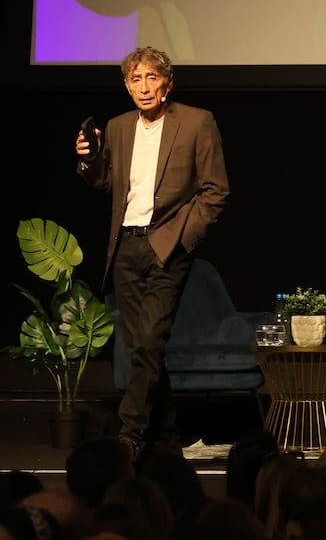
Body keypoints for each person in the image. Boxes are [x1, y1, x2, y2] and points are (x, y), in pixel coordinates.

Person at [76, 45, 230, 459]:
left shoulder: (197, 122)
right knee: (140, 348)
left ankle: (131, 434)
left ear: (167, 83)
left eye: (152, 78)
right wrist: (89, 162)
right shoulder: (119, 126)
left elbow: (216, 191)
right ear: (127, 86)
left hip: (167, 245)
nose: (144, 87)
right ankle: (167, 438)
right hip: (125, 245)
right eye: (136, 79)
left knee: (149, 341)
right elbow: (109, 183)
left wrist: (182, 237)